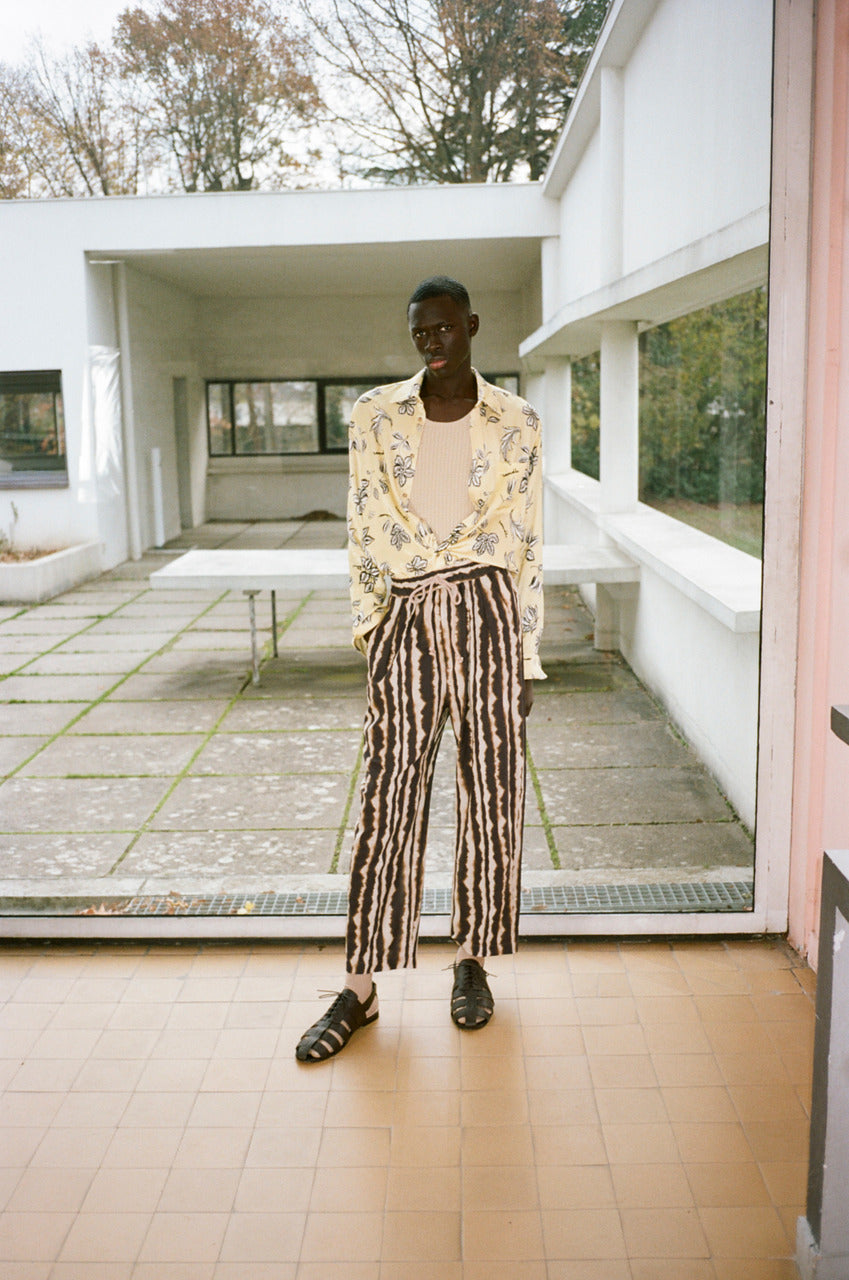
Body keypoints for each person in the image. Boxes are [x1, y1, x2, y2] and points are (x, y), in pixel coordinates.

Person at [296, 275, 544, 1062]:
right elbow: (361, 526)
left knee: (492, 793)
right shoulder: (375, 414)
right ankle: (359, 987)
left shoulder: (516, 420)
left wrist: (524, 654)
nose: (431, 342)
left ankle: (471, 961)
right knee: (385, 797)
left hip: (487, 611)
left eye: (443, 327)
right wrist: (373, 630)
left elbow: (527, 541)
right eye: (419, 332)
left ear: (471, 325)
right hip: (404, 612)